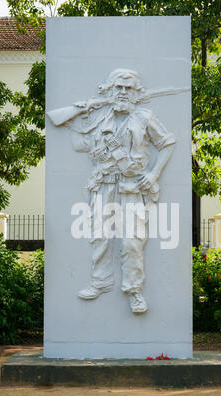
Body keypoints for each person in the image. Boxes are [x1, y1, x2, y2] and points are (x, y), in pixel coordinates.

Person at [48, 69, 176, 314]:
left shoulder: (144, 117)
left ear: (136, 93)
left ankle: (134, 291)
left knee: (132, 241)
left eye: (128, 89)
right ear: (109, 90)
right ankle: (100, 282)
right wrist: (78, 114)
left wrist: (154, 174)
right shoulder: (99, 118)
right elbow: (80, 146)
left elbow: (168, 143)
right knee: (100, 237)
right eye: (119, 87)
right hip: (104, 185)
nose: (123, 93)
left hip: (132, 187)